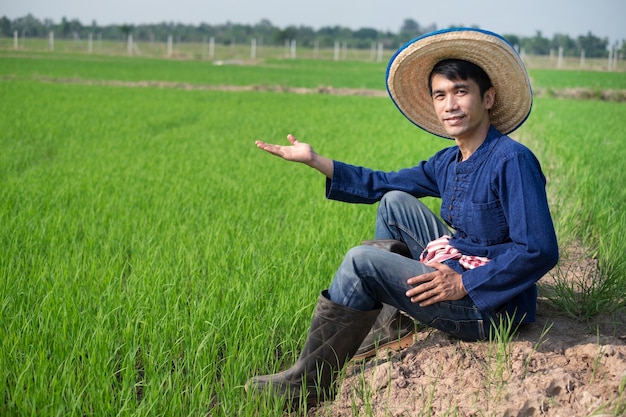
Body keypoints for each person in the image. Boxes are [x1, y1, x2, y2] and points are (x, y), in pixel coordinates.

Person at [245, 28, 559, 408]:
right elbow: (384, 183)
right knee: (395, 201)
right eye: (440, 95)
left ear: (487, 97)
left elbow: (539, 249)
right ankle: (391, 326)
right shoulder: (449, 160)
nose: (450, 104)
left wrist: (465, 283)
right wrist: (315, 161)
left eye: (461, 91)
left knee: (361, 263)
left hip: (491, 307)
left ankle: (309, 383)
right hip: (462, 262)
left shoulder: (512, 160)